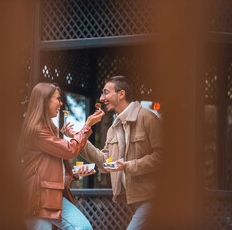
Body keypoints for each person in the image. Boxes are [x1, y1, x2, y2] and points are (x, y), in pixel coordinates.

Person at [62, 76, 162, 230]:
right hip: (136, 199)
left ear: (121, 94)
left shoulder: (147, 119)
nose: (102, 98)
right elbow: (104, 163)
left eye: (106, 93)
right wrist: (78, 137)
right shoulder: (113, 129)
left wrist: (128, 166)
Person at [20, 82, 104, 230]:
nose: (61, 103)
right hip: (39, 197)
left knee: (83, 227)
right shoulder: (37, 130)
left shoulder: (50, 128)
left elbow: (50, 165)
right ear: (45, 100)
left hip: (50, 195)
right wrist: (87, 126)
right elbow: (69, 150)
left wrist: (75, 173)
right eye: (57, 99)